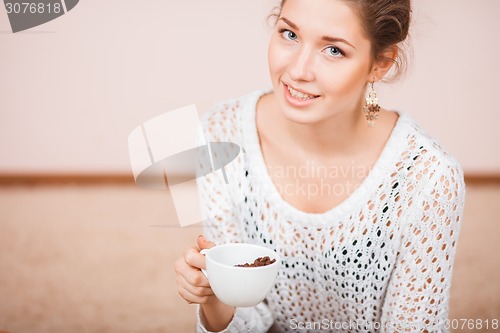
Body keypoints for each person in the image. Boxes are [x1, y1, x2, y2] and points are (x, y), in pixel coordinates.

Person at [174, 0, 466, 332]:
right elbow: (246, 317)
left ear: (380, 64)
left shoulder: (428, 178)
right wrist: (217, 299)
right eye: (289, 34)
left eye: (334, 51)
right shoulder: (220, 135)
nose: (298, 70)